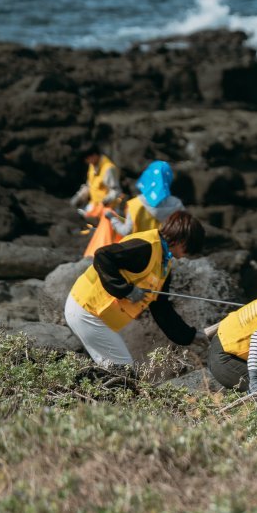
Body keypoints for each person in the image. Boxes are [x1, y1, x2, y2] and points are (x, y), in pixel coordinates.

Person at [65, 211, 207, 367]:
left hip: (99, 317)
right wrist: (126, 290)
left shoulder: (164, 264)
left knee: (114, 371)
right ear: (181, 240)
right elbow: (102, 256)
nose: (186, 256)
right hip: (86, 310)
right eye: (188, 250)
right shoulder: (146, 246)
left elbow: (162, 308)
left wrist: (189, 336)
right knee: (124, 372)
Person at [110, 160, 185, 237]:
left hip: (141, 248)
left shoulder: (135, 204)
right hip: (166, 248)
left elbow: (126, 231)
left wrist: (113, 219)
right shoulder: (177, 204)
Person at [70, 146, 123, 221]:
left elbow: (116, 191)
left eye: (87, 159)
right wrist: (79, 197)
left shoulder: (108, 169)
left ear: (94, 155)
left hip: (109, 208)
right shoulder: (93, 165)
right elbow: (89, 185)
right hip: (94, 205)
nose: (86, 161)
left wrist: (105, 201)